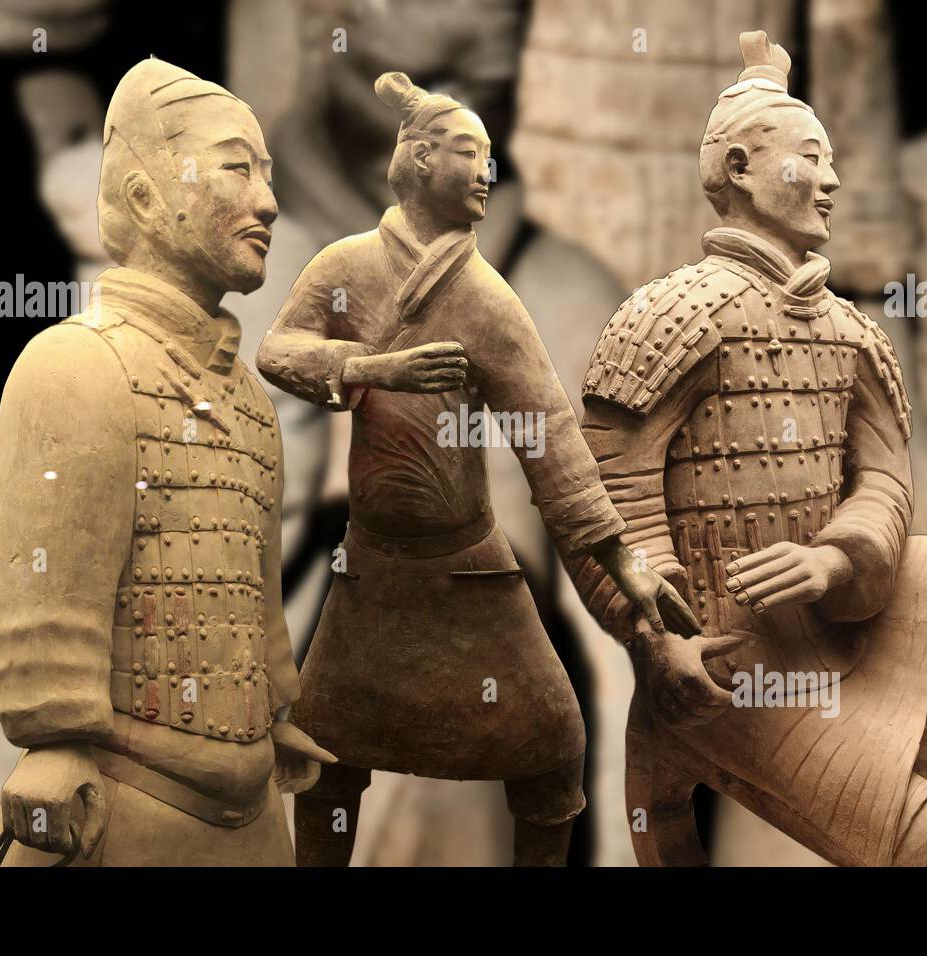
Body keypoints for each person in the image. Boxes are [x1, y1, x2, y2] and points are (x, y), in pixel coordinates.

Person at [258, 72, 696, 867]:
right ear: (420, 162)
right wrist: (375, 369)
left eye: (491, 155)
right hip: (371, 567)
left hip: (469, 564)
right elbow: (277, 352)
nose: (488, 170)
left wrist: (618, 555)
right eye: (469, 152)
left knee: (555, 739)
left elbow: (551, 440)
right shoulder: (346, 267)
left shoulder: (488, 301)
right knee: (323, 751)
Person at [572, 32, 927, 867]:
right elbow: (608, 501)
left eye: (831, 160)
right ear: (736, 169)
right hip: (727, 658)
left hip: (825, 632)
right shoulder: (671, 316)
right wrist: (659, 644)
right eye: (808, 158)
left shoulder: (849, 331)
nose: (831, 181)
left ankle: (889, 798)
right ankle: (900, 821)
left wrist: (837, 561)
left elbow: (887, 484)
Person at [0, 57, 331, 866]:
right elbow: (48, 585)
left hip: (252, 813)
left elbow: (252, 586)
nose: (269, 201)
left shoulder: (246, 398)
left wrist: (274, 705)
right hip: (128, 804)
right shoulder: (72, 364)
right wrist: (53, 734)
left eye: (268, 173)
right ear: (144, 197)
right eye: (236, 169)